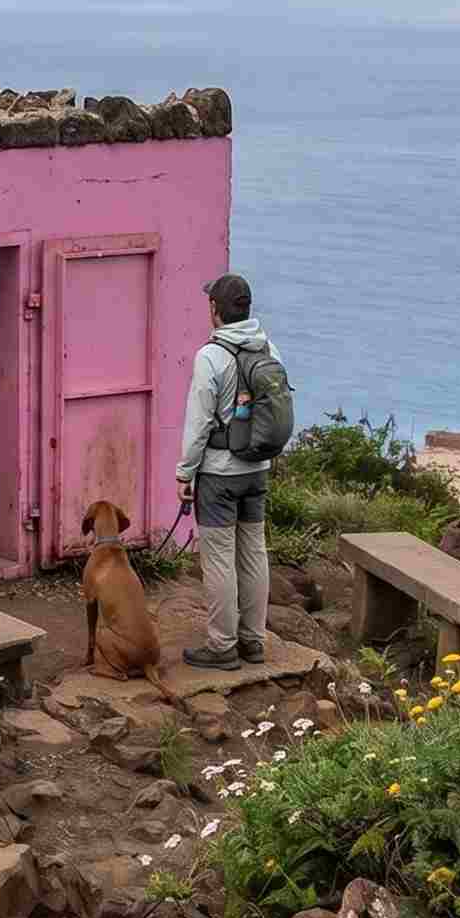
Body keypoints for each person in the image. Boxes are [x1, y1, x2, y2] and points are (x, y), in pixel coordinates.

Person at [175, 273, 279, 669]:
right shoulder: (270, 348)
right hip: (258, 468)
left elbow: (199, 421)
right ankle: (253, 641)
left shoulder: (212, 356)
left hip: (219, 474)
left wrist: (185, 473)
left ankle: (221, 646)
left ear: (215, 310)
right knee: (253, 552)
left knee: (219, 558)